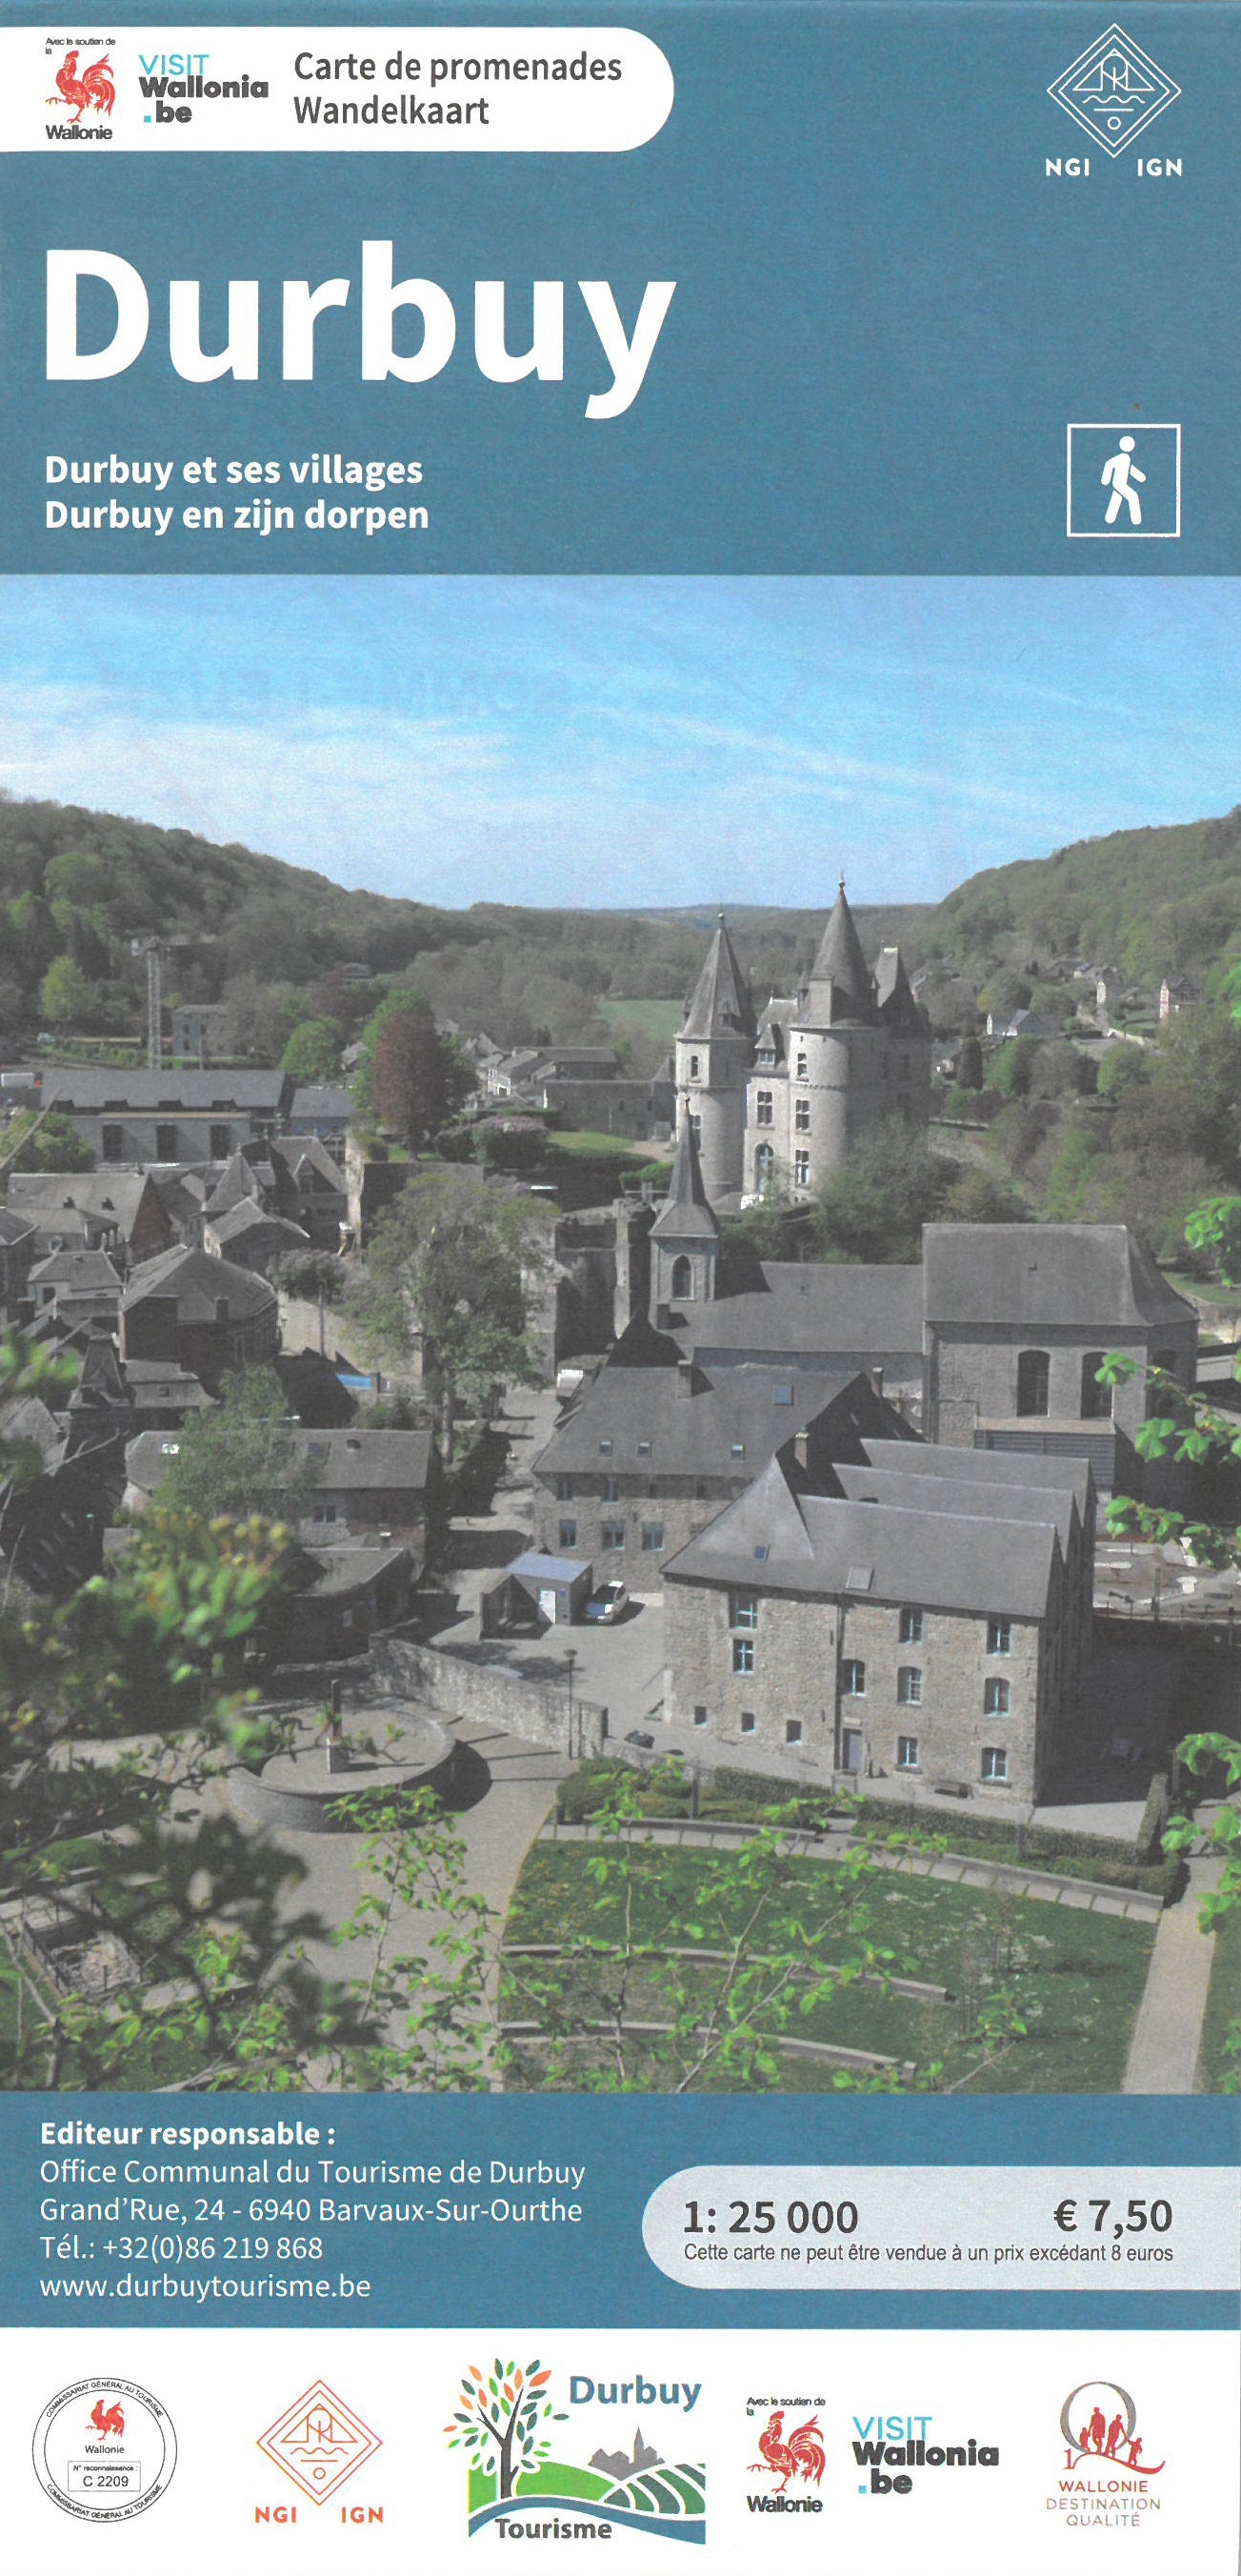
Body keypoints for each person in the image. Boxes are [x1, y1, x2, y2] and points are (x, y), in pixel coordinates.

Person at [1102, 435, 1145, 527]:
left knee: (1117, 498)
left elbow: (1129, 469)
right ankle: (1137, 521)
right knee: (1133, 497)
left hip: (1119, 484)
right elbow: (1109, 464)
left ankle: (1109, 519)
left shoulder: (1126, 458)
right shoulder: (1121, 458)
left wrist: (1141, 477)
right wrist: (1105, 480)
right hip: (1119, 484)